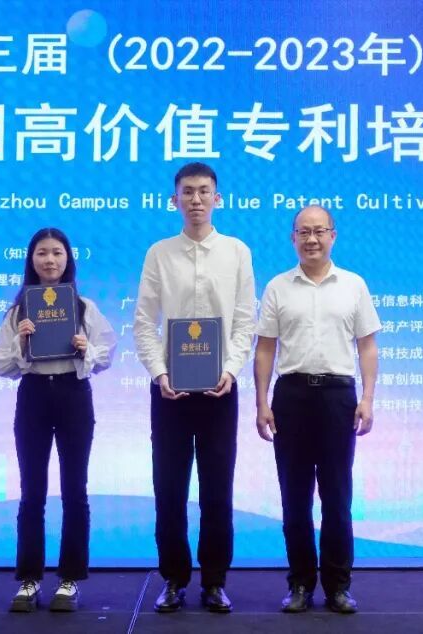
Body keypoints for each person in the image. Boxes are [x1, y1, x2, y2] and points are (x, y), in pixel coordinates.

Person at [133, 162, 256, 613]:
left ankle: (215, 582)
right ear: (175, 200)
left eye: (205, 191)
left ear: (217, 198)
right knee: (169, 490)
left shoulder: (237, 252)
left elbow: (245, 320)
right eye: (188, 192)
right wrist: (159, 373)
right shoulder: (159, 253)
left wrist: (232, 369)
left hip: (220, 389)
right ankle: (174, 579)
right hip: (170, 391)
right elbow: (144, 321)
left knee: (217, 491)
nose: (197, 199)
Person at [253, 205, 380, 614]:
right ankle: (300, 585)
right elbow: (265, 349)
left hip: (338, 397)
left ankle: (339, 586)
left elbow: (367, 346)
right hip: (291, 397)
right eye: (304, 232)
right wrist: (261, 402)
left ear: (332, 236)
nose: (312, 239)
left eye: (319, 231)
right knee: (294, 498)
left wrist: (367, 398)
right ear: (293, 238)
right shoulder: (278, 287)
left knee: (337, 497)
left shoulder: (354, 285)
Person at [0, 227, 116, 613]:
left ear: (68, 259)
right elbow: (0, 365)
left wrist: (86, 348)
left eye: (57, 252)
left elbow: (107, 355)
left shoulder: (84, 307)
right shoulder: (18, 311)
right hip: (33, 396)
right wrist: (21, 343)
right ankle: (29, 579)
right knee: (32, 491)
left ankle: (69, 579)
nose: (49, 260)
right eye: (42, 253)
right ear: (31, 260)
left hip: (73, 395)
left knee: (75, 489)